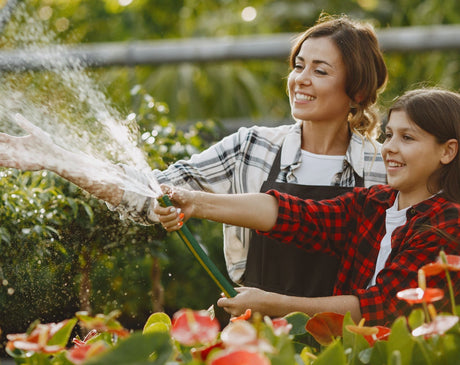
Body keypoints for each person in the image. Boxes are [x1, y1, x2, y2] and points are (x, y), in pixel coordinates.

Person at [0, 14, 387, 299]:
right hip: (256, 335)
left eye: (319, 71)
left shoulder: (382, 167)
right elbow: (149, 192)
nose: (300, 79)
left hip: (345, 341)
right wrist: (56, 158)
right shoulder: (252, 147)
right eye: (298, 66)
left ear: (356, 89)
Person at [154, 88, 460, 326]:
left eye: (407, 137)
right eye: (389, 135)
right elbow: (300, 216)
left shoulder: (449, 225)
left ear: (447, 151)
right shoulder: (375, 203)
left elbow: (377, 307)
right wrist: (195, 202)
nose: (390, 147)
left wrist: (271, 304)